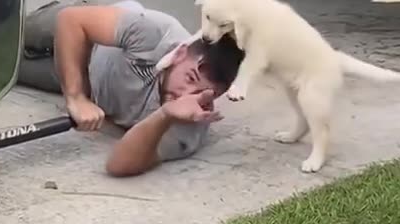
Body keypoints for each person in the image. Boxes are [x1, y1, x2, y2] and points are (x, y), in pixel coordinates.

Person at [17, 0, 244, 177]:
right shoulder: (154, 34)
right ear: (180, 54)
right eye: (190, 79)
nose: (187, 97)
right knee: (6, 31)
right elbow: (71, 21)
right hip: (91, 33)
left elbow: (118, 165)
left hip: (90, 80)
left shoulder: (189, 128)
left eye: (204, 97)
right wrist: (76, 98)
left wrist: (164, 116)